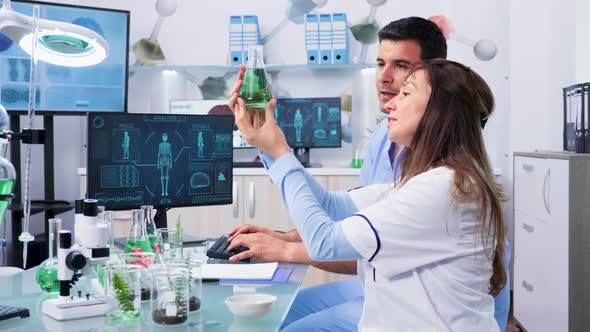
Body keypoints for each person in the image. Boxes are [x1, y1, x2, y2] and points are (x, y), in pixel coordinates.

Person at [226, 17, 510, 332]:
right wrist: (266, 144)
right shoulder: (420, 179)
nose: (391, 102)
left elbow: (325, 242)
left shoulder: (444, 187)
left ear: (438, 111)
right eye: (380, 64)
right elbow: (331, 206)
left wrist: (279, 152)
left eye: (407, 92)